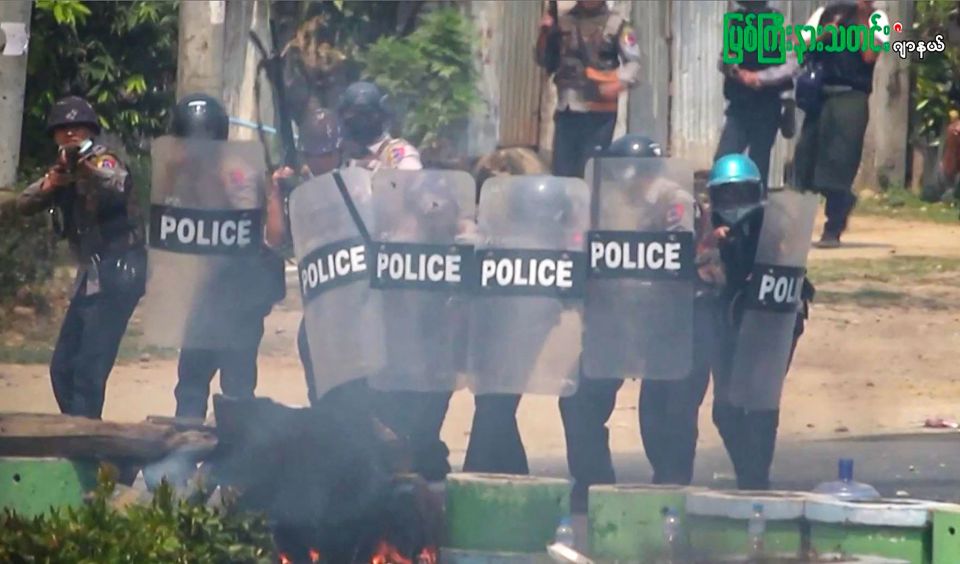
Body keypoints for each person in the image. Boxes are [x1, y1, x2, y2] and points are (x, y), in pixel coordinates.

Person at [656, 154, 812, 490]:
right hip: (726, 324)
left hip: (770, 326)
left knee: (756, 404)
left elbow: (789, 272)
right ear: (713, 197)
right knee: (726, 412)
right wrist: (716, 246)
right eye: (726, 196)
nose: (735, 203)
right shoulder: (707, 229)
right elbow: (696, 273)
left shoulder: (774, 223)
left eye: (742, 194)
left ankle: (755, 481)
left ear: (757, 192)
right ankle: (752, 479)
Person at [559, 134, 690, 507]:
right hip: (613, 319)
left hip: (662, 319)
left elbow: (678, 259)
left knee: (662, 410)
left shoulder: (674, 201)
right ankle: (592, 485)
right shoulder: (602, 201)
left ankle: (671, 487)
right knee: (579, 399)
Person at [334, 83, 454, 481]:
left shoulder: (398, 155)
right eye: (351, 115)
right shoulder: (342, 158)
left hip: (402, 279)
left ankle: (417, 450)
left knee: (403, 363)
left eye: (364, 115)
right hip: (358, 280)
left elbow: (404, 191)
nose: (356, 123)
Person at [17, 96, 145, 419]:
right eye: (63, 128)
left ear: (90, 130)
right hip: (91, 276)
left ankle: (91, 449)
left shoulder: (104, 160)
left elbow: (117, 183)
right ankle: (83, 436)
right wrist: (53, 182)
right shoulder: (61, 168)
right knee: (62, 368)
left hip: (119, 272)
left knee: (89, 370)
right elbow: (24, 203)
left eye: (78, 127)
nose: (71, 133)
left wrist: (83, 169)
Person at [169, 93, 285, 419]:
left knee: (235, 388)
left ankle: (232, 463)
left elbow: (262, 233)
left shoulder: (238, 173)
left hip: (240, 295)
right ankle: (182, 461)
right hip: (206, 293)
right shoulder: (187, 173)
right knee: (192, 382)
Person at [793, 0, 891, 248]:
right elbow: (799, 47)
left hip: (851, 95)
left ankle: (833, 228)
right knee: (804, 162)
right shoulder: (825, 13)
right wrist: (828, 32)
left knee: (838, 165)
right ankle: (795, 231)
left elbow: (870, 55)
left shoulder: (877, 19)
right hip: (821, 95)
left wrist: (861, 17)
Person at [266, 105, 343, 403]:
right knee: (319, 393)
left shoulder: (357, 184)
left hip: (352, 303)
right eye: (313, 154)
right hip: (317, 304)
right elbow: (275, 239)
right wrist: (277, 193)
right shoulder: (300, 189)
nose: (320, 161)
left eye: (326, 154)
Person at [535, 0, 641, 178]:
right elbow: (545, 61)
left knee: (592, 171)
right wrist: (545, 33)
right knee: (563, 172)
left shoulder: (617, 24)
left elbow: (634, 64)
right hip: (567, 108)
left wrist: (617, 84)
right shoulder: (562, 22)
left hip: (599, 112)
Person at [715, 0, 797, 188]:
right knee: (723, 160)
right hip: (740, 104)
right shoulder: (737, 23)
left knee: (758, 164)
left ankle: (756, 212)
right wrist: (737, 71)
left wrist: (760, 77)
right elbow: (724, 59)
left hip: (767, 104)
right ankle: (724, 210)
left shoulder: (779, 23)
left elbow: (791, 64)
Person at [338, 81, 421, 172]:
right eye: (353, 114)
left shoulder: (399, 152)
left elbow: (412, 181)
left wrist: (381, 171)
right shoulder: (339, 154)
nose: (361, 120)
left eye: (367, 114)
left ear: (381, 115)